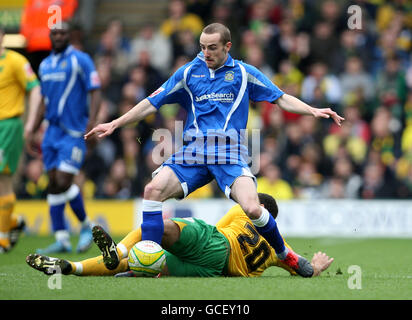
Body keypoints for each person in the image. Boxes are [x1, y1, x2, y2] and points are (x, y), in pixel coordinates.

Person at [85, 23, 343, 276]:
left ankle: (285, 254)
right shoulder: (188, 72)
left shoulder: (243, 73)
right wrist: (116, 123)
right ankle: (146, 263)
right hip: (194, 152)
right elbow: (152, 103)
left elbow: (281, 97)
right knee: (152, 191)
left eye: (212, 48)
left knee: (253, 209)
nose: (205, 53)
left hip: (229, 153)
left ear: (227, 46)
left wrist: (312, 109)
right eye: (202, 47)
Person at [26, 193, 334, 278]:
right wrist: (316, 266)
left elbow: (218, 224)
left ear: (259, 207)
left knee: (158, 226)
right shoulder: (279, 249)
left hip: (215, 242)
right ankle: (72, 268)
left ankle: (117, 251)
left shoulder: (243, 212)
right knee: (143, 261)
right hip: (213, 271)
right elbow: (301, 267)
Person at [24, 22, 102, 254]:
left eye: (63, 33)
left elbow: (95, 90)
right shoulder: (46, 65)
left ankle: (87, 226)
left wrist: (92, 122)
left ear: (70, 35)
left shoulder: (81, 60)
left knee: (64, 179)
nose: (58, 37)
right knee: (54, 184)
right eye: (55, 34)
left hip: (74, 131)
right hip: (51, 133)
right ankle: (62, 239)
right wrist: (32, 130)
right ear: (50, 37)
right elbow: (43, 102)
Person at [0, 26, 42, 253]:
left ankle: (3, 238)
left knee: (2, 179)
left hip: (7, 126)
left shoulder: (15, 61)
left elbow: (35, 89)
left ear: (2, 37)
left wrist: (30, 123)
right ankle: (13, 222)